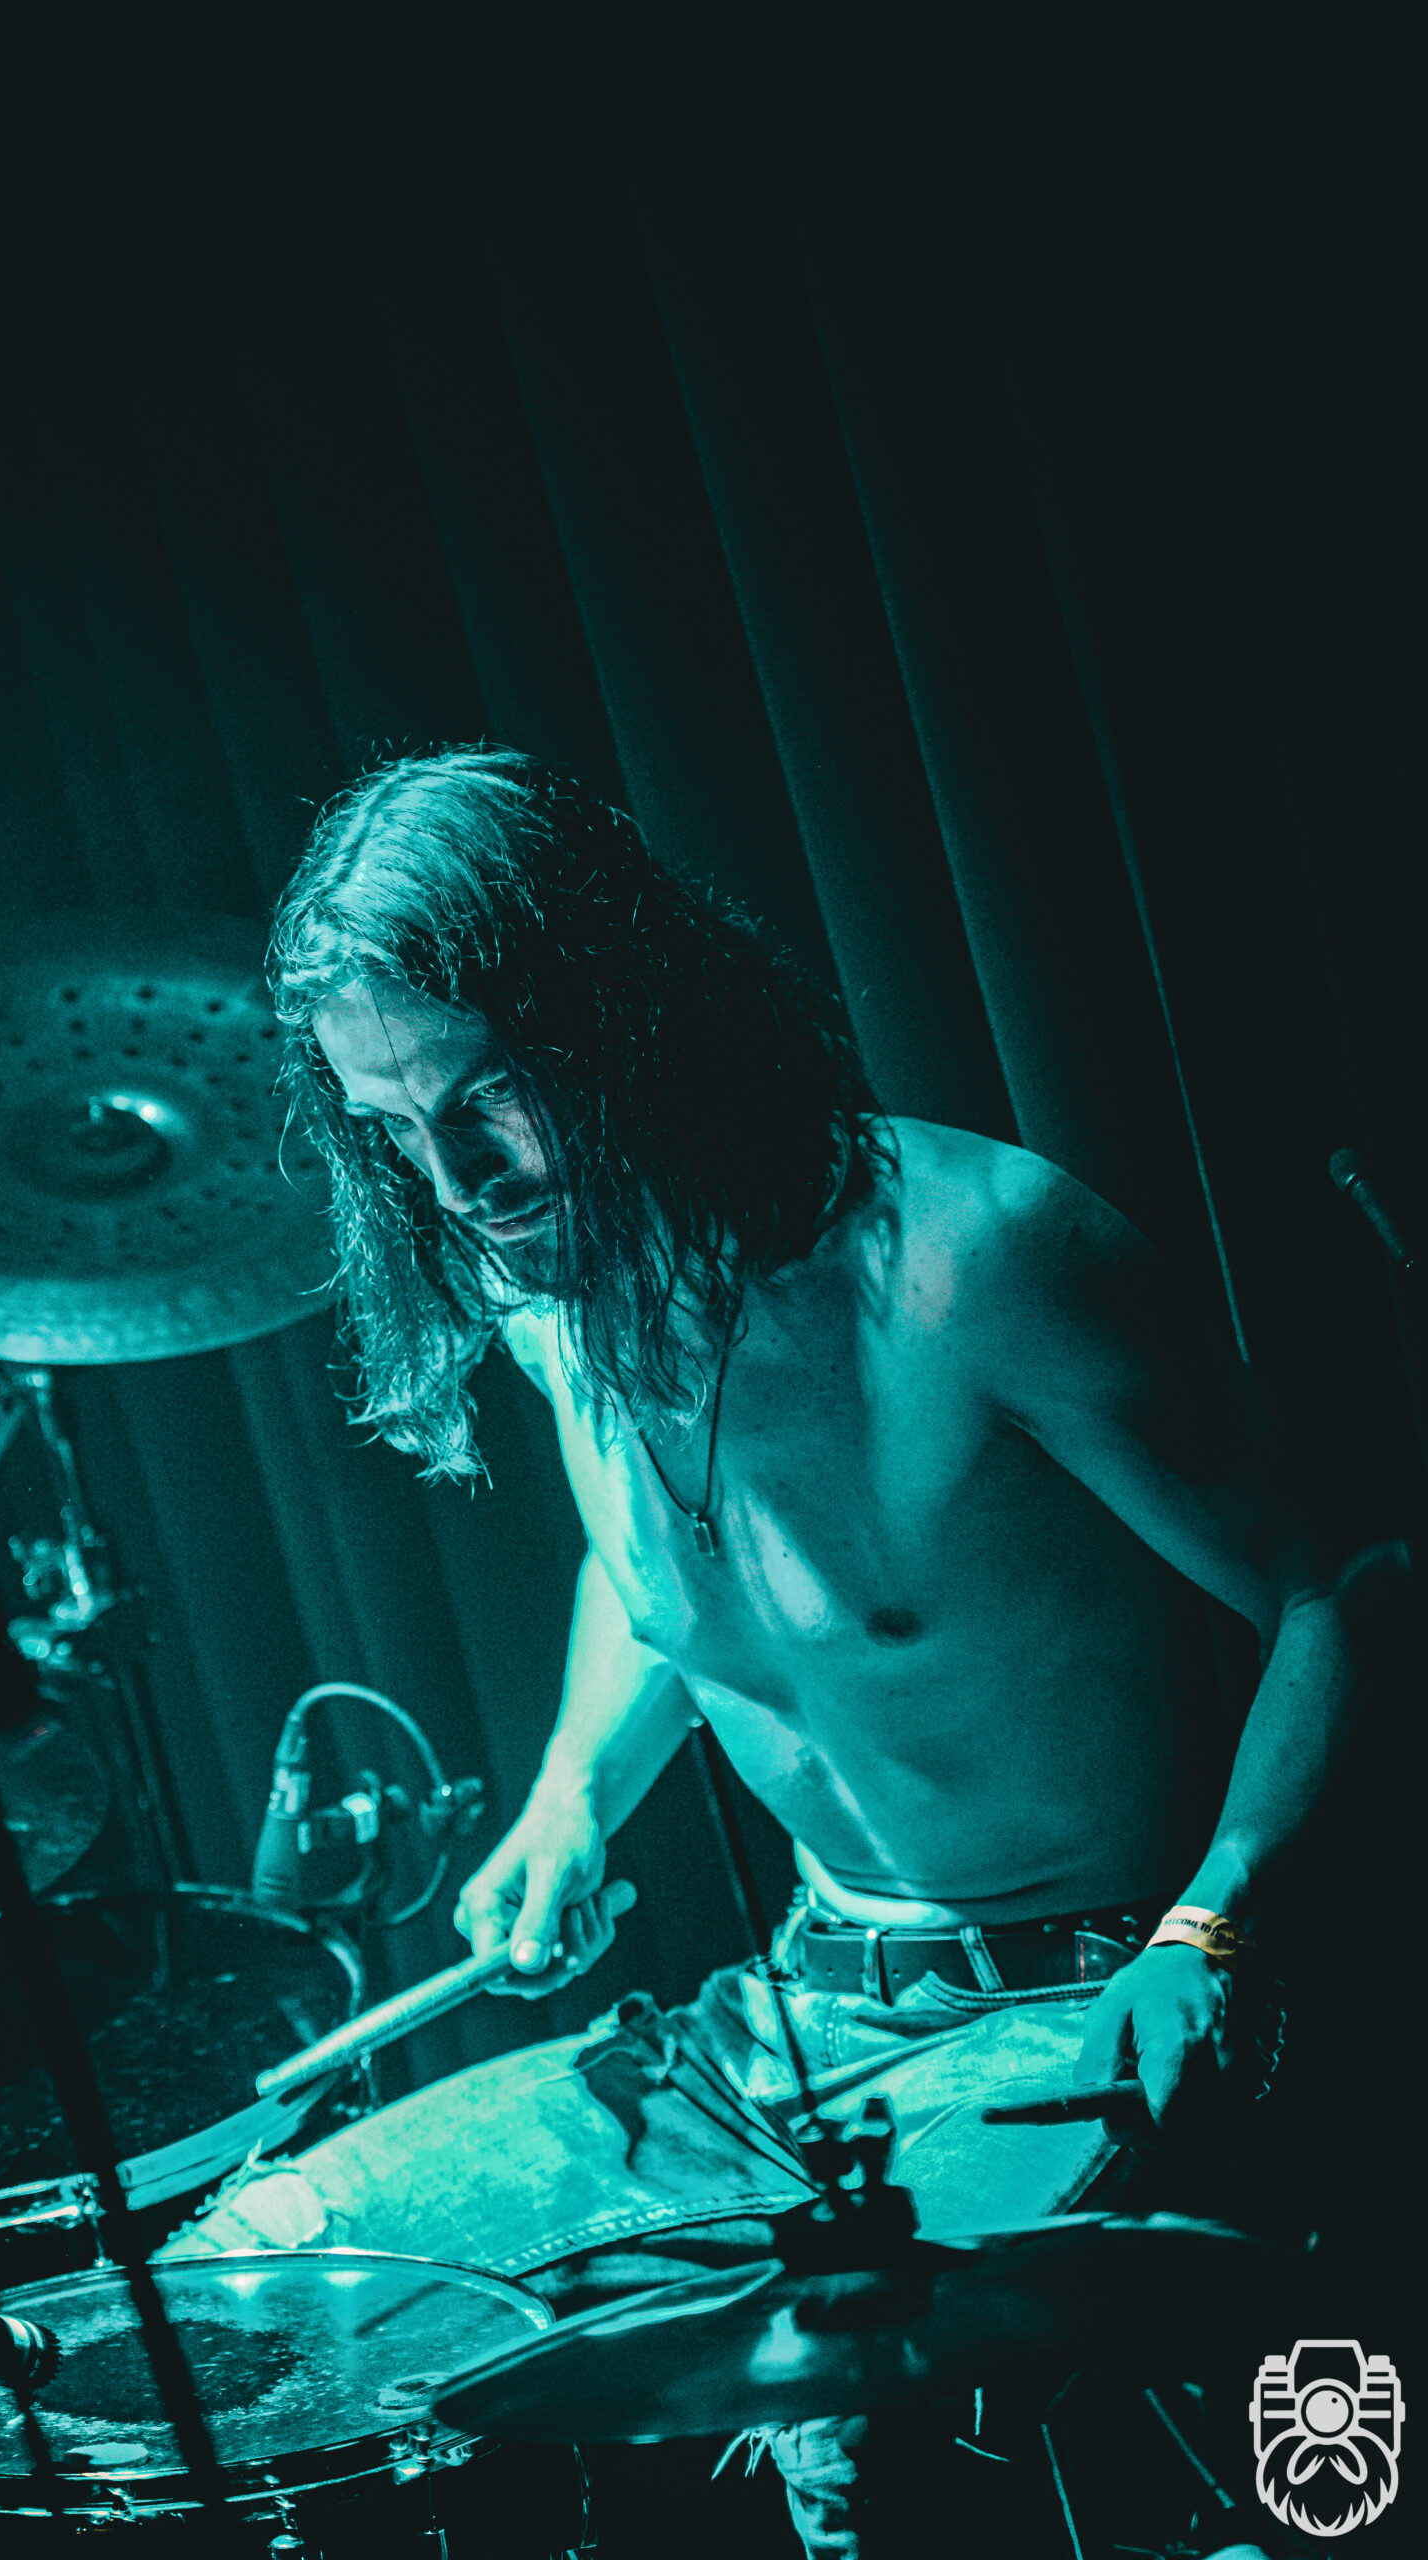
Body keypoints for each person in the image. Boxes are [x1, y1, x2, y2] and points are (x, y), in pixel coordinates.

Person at [228, 748, 1359, 2556]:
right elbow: (661, 1568)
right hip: (791, 2024)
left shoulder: (975, 1259)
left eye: (489, 1094)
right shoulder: (548, 1288)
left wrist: (1210, 1930)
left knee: (858, 2442)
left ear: (622, 1015)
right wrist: (572, 1794)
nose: (456, 1180)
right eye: (394, 1128)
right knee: (276, 2278)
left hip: (1082, 1997)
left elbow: (1345, 1584)